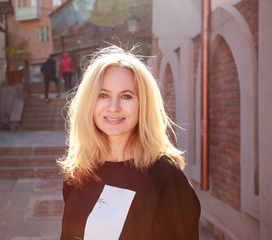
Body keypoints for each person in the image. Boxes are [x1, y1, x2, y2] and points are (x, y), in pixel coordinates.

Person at [57, 46, 201, 240]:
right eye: (103, 95)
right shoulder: (78, 172)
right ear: (89, 102)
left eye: (126, 96)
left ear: (143, 105)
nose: (114, 107)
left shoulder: (167, 180)